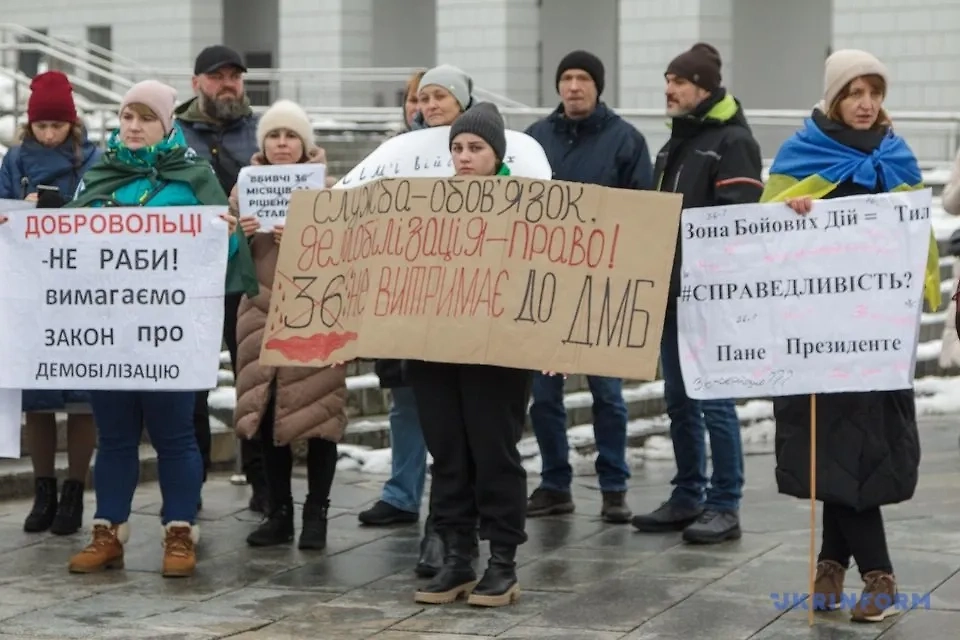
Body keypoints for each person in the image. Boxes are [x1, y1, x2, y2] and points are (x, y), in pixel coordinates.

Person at [763, 49, 940, 623]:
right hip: (816, 332)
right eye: (854, 93)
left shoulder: (897, 155)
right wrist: (793, 212)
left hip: (878, 330)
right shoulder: (800, 154)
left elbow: (917, 237)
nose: (866, 104)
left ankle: (839, 568)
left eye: (874, 92)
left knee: (859, 445)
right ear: (834, 97)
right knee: (832, 443)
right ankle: (867, 573)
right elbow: (765, 231)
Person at [60, 80, 251, 578]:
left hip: (172, 332)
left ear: (167, 125)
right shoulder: (100, 175)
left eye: (146, 118)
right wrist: (22, 234)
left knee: (175, 435)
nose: (134, 126)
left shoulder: (194, 177)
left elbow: (224, 256)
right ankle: (108, 531)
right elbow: (65, 242)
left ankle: (180, 531)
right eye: (127, 116)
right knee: (115, 437)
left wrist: (229, 236)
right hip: (110, 330)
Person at [631, 43, 763, 544]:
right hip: (669, 293)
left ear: (703, 89)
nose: (669, 89)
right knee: (679, 400)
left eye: (679, 82)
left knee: (714, 400)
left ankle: (725, 504)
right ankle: (688, 494)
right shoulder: (675, 143)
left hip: (709, 298)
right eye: (667, 80)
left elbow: (737, 219)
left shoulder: (733, 142)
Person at [358, 64, 477, 578]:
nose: (428, 106)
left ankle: (451, 525)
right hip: (407, 301)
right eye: (421, 98)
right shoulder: (395, 154)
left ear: (462, 102)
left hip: (466, 305)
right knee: (410, 401)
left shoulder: (486, 150)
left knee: (462, 421)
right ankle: (408, 498)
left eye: (438, 96)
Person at [409, 102, 530, 608]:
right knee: (448, 454)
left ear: (496, 154)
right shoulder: (427, 206)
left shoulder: (527, 207)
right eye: (457, 147)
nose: (463, 156)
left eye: (475, 147)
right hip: (434, 350)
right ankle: (457, 556)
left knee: (493, 451)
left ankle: (502, 561)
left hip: (496, 354)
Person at [523, 50, 652, 523]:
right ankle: (554, 483)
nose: (574, 87)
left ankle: (614, 486)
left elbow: (643, 211)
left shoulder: (626, 140)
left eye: (583, 79)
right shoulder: (534, 139)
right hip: (545, 288)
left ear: (598, 87)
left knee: (608, 395)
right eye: (567, 78)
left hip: (603, 289)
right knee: (544, 397)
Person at [230, 99, 346, 551]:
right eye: (274, 136)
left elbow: (345, 256)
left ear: (305, 143)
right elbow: (222, 261)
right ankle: (278, 512)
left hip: (314, 317)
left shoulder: (329, 192)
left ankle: (317, 512)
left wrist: (305, 238)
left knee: (320, 416)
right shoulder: (242, 191)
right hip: (259, 317)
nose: (281, 144)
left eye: (291, 136)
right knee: (267, 413)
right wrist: (238, 236)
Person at [0, 70, 101, 535]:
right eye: (41, 126)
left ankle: (74, 491)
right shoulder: (14, 160)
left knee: (83, 400)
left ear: (71, 124)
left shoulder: (94, 160)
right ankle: (43, 491)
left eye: (56, 126)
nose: (48, 134)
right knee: (36, 398)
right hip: (32, 293)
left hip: (82, 294)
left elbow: (106, 214)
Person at [174, 44, 266, 512]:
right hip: (190, 279)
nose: (228, 84)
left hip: (246, 276)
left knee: (253, 378)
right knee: (191, 384)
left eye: (235, 76)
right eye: (217, 76)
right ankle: (190, 485)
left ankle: (263, 484)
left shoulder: (262, 132)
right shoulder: (173, 134)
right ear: (196, 84)